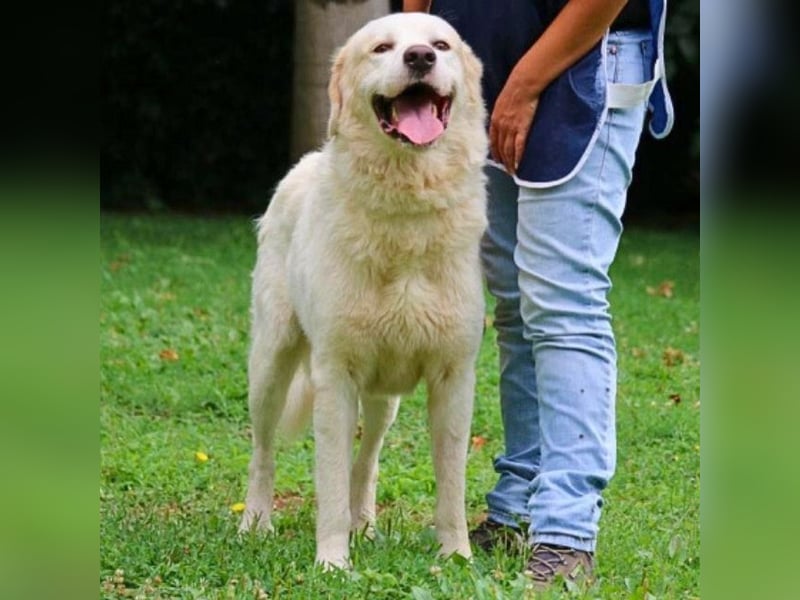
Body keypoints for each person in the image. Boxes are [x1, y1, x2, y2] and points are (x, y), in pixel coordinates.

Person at [403, 0, 673, 591]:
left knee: (563, 303)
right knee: (517, 302)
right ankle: (517, 507)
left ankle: (567, 533)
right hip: (477, 71)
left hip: (580, 68)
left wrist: (523, 86)